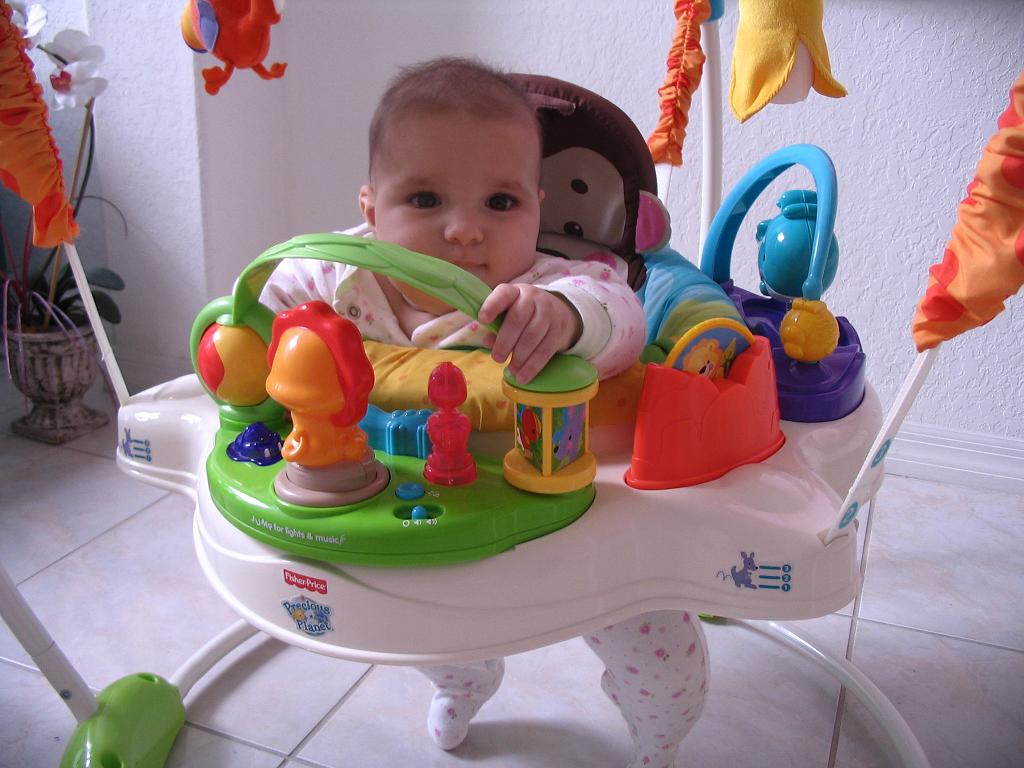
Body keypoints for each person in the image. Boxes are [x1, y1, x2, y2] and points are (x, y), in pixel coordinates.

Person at [263, 58, 706, 768]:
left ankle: (660, 736)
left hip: (568, 511)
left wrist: (565, 319)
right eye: (426, 199)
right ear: (371, 210)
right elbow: (261, 309)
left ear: (537, 207)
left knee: (659, 648)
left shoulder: (552, 284)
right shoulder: (337, 275)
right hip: (417, 510)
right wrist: (252, 344)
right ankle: (464, 680)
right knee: (431, 631)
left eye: (501, 203)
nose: (465, 230)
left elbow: (623, 318)